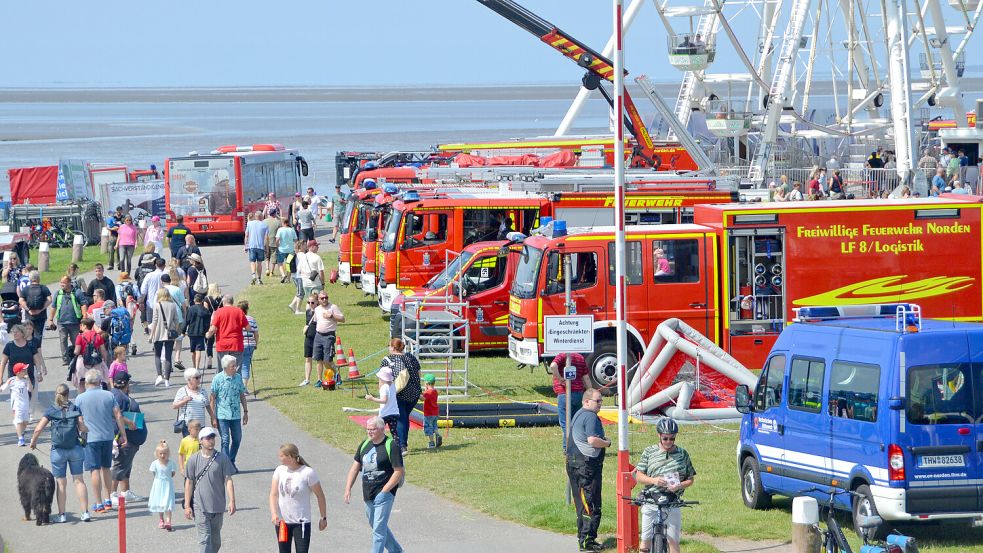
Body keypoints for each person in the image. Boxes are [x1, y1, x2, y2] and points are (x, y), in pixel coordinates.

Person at [29, 383, 91, 523]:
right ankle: (85, 513)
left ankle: (62, 515)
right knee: (79, 480)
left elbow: (38, 429)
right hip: (75, 448)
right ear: (68, 394)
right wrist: (86, 429)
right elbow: (82, 427)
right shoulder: (75, 408)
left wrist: (33, 442)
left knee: (61, 483)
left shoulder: (52, 410)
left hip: (58, 451)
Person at [633, 418, 696, 553]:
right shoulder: (649, 452)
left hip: (672, 501)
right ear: (659, 436)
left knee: (673, 540)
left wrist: (679, 486)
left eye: (672, 438)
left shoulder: (682, 454)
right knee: (645, 541)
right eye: (665, 438)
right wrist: (654, 480)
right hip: (651, 500)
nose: (668, 442)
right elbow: (638, 476)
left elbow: (690, 479)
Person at [343, 416, 405, 553]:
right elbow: (355, 468)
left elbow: (398, 471)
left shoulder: (391, 445)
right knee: (377, 526)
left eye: (373, 429)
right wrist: (348, 488)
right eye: (367, 429)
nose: (369, 432)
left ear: (382, 429)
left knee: (378, 529)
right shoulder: (365, 444)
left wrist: (385, 491)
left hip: (385, 494)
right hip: (368, 493)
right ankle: (397, 551)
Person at [75, 369, 128, 515]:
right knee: (106, 468)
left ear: (86, 382)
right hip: (107, 436)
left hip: (91, 438)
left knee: (94, 470)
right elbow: (118, 415)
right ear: (100, 382)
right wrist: (123, 434)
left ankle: (98, 503)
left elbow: (79, 420)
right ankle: (108, 500)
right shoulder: (109, 395)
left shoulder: (80, 398)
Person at [566, 388, 610, 552]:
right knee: (590, 504)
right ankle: (587, 541)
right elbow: (592, 441)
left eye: (601, 401)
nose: (600, 404)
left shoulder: (578, 414)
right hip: (586, 467)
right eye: (597, 401)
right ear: (586, 401)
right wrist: (607, 443)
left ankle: (583, 538)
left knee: (582, 503)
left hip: (574, 464)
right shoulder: (590, 416)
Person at [184, 426, 237, 553]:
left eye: (213, 437)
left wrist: (232, 501)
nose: (211, 441)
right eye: (208, 438)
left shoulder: (222, 458)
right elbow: (189, 482)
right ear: (201, 441)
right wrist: (187, 505)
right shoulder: (193, 460)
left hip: (218, 506)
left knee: (215, 541)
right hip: (200, 506)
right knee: (205, 539)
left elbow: (228, 480)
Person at [269, 443, 328, 553]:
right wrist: (274, 513)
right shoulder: (279, 470)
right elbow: (273, 494)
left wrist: (323, 517)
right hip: (282, 523)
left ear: (290, 457)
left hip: (301, 523)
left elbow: (320, 495)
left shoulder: (307, 473)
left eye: (281, 456)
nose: (279, 458)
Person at [109, 371, 148, 507]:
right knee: (120, 465)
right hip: (124, 437)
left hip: (130, 438)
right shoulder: (117, 396)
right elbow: (114, 414)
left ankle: (125, 492)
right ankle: (112, 494)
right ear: (125, 384)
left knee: (126, 465)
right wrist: (128, 422)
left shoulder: (117, 394)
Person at [380, 338, 420, 454]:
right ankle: (402, 442)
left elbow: (382, 378)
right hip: (414, 393)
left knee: (401, 419)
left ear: (393, 347)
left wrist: (382, 393)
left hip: (398, 393)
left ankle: (402, 445)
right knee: (404, 417)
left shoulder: (387, 359)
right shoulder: (411, 357)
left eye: (389, 345)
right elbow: (418, 373)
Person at [210, 355, 249, 471]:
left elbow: (242, 395)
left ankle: (230, 460)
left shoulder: (238, 377)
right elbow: (212, 398)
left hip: (235, 414)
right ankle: (226, 466)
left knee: (237, 439)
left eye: (235, 365)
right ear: (225, 367)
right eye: (232, 366)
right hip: (222, 415)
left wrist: (246, 412)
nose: (235, 368)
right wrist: (213, 417)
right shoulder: (218, 379)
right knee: (225, 440)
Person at [549, 352, 591, 452]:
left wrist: (559, 378)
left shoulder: (562, 355)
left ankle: (567, 447)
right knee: (576, 421)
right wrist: (591, 392)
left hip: (564, 393)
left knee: (565, 423)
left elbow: (553, 365)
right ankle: (578, 445)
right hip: (578, 394)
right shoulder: (580, 357)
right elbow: (586, 377)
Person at [2, 323, 45, 404]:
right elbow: (3, 363)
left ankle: (28, 415)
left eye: (16, 332)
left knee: (28, 398)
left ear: (22, 333)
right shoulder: (9, 346)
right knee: (16, 401)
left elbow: (36, 359)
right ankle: (18, 415)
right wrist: (0, 378)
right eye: (13, 332)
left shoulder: (30, 345)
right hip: (14, 378)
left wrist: (39, 372)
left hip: (29, 376)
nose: (14, 333)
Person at [50, 275, 88, 366]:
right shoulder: (58, 293)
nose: (61, 284)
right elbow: (53, 307)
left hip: (74, 322)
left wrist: (84, 317)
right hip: (62, 322)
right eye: (61, 282)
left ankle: (78, 357)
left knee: (76, 341)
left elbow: (83, 304)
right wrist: (50, 319)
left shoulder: (77, 292)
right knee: (63, 341)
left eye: (63, 283)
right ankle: (65, 360)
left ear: (69, 283)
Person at [312, 292, 344, 388]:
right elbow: (316, 321)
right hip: (318, 336)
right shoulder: (317, 309)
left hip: (329, 336)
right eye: (322, 298)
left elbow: (343, 319)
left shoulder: (333, 307)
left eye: (326, 297)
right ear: (318, 300)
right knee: (318, 359)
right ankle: (319, 380)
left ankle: (336, 374)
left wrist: (331, 316)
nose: (325, 300)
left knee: (327, 360)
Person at [207, 294, 248, 367]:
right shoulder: (239, 311)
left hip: (222, 345)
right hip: (236, 344)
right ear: (232, 302)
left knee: (223, 369)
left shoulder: (218, 312)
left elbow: (213, 328)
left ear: (223, 302)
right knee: (236, 369)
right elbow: (248, 328)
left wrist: (208, 335)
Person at [150, 288, 180, 387]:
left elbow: (154, 321)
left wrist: (151, 334)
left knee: (157, 355)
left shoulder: (157, 305)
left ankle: (159, 375)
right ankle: (167, 379)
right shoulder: (172, 305)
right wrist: (175, 331)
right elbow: (176, 320)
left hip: (158, 333)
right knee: (168, 356)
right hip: (170, 333)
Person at [147, 439, 178, 531]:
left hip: (168, 485)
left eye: (164, 453)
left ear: (168, 454)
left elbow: (172, 473)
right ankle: (161, 519)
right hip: (158, 484)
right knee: (160, 502)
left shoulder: (171, 463)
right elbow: (154, 473)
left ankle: (168, 521)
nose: (163, 455)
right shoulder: (155, 463)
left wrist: (167, 478)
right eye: (160, 454)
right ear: (157, 454)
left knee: (168, 502)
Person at [174, 366, 213, 436]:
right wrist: (184, 400)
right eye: (196, 378)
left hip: (201, 425)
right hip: (188, 426)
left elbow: (208, 406)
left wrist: (213, 418)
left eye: (199, 377)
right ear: (189, 379)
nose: (199, 379)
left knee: (201, 445)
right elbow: (174, 406)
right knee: (190, 445)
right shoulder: (182, 391)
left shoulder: (203, 391)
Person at [73, 318, 110, 391]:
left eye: (81, 325)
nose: (80, 326)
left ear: (85, 326)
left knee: (82, 382)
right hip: (96, 362)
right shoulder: (98, 336)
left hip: (83, 362)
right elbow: (103, 351)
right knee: (98, 380)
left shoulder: (80, 337)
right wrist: (105, 360)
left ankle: (82, 397)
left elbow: (77, 351)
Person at [365, 366, 399, 443]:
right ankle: (399, 447)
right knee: (394, 432)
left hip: (385, 414)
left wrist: (372, 398)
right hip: (394, 413)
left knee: (379, 431)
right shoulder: (393, 385)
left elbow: (384, 400)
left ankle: (379, 443)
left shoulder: (384, 387)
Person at [2, 362, 32, 445]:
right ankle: (20, 439)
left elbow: (30, 389)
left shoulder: (25, 380)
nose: (26, 371)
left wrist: (28, 379)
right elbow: (2, 388)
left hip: (25, 404)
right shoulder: (12, 380)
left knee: (25, 422)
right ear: (18, 372)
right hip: (17, 405)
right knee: (19, 421)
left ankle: (21, 432)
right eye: (24, 370)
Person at [19, 270, 51, 341]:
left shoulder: (26, 289)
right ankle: (38, 350)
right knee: (38, 334)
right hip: (41, 315)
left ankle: (29, 350)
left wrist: (28, 310)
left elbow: (21, 300)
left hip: (29, 315)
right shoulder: (43, 288)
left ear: (30, 279)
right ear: (39, 278)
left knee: (28, 334)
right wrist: (41, 309)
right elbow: (49, 300)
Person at [238, 300, 259, 389]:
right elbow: (256, 333)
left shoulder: (237, 319)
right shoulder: (251, 319)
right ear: (247, 309)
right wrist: (256, 343)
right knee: (246, 365)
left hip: (240, 344)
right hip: (250, 344)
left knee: (238, 365)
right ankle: (244, 387)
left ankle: (239, 386)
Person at [187, 294, 211, 371]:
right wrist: (207, 330)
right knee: (198, 350)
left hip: (192, 332)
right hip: (201, 332)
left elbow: (187, 320)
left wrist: (183, 330)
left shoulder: (191, 309)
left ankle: (194, 365)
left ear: (194, 300)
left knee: (193, 350)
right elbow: (208, 322)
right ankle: (197, 367)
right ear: (202, 301)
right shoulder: (205, 310)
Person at [245, 210, 269, 285]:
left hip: (251, 246)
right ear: (262, 217)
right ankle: (259, 278)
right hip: (260, 246)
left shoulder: (249, 223)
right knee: (259, 263)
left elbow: (246, 235)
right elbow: (266, 238)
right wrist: (267, 248)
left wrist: (245, 246)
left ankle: (253, 275)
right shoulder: (265, 225)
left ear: (255, 217)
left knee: (252, 261)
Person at [299, 293, 318, 387]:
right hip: (308, 337)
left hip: (317, 337)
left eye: (313, 302)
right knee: (307, 358)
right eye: (309, 302)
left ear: (317, 302)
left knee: (320, 359)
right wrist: (305, 328)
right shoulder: (308, 311)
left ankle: (320, 379)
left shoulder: (319, 312)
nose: (311, 304)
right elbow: (307, 323)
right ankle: (307, 379)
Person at [276, 217, 298, 283]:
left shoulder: (280, 230)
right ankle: (288, 278)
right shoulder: (292, 230)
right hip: (290, 250)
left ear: (282, 223)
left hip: (282, 249)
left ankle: (283, 275)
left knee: (280, 263)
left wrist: (277, 246)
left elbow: (277, 239)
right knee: (288, 264)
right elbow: (296, 240)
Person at [287, 240, 307, 314]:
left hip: (294, 275)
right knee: (301, 293)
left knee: (299, 291)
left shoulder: (295, 253)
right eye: (304, 245)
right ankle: (297, 310)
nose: (306, 246)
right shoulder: (302, 255)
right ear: (301, 246)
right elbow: (305, 265)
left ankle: (292, 305)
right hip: (300, 276)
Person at [421, 374, 440, 449]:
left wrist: (417, 395)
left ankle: (431, 443)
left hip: (428, 413)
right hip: (435, 412)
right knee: (434, 426)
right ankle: (438, 435)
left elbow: (422, 398)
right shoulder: (435, 391)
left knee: (429, 427)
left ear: (426, 383)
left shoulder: (428, 392)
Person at [263, 209, 281, 278]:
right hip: (274, 241)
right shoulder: (278, 222)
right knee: (273, 257)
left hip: (266, 241)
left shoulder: (264, 221)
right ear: (275, 214)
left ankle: (267, 269)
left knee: (267, 256)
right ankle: (271, 272)